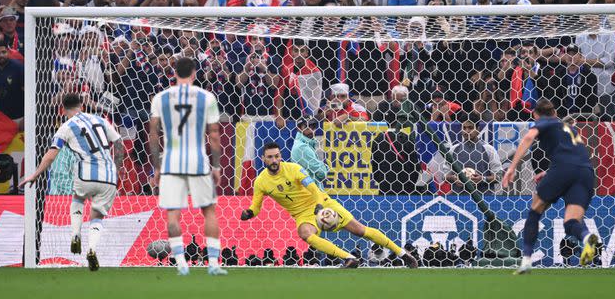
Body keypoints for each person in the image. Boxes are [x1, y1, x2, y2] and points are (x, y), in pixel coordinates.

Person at [240, 142, 418, 268]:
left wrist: (319, 206)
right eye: (270, 157)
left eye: (277, 156)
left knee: (359, 230)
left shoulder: (293, 168)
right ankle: (349, 258)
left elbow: (315, 189)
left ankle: (403, 254)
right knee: (304, 233)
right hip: (302, 215)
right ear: (263, 158)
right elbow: (256, 206)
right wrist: (249, 213)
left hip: (322, 203)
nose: (274, 160)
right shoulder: (261, 181)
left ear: (281, 156)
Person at [19, 93, 124, 271]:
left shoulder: (65, 128)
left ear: (63, 109)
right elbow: (119, 143)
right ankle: (91, 249)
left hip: (85, 174)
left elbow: (51, 154)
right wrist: (117, 168)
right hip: (108, 176)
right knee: (97, 216)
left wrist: (36, 174)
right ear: (82, 105)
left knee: (78, 199)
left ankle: (75, 234)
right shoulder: (99, 119)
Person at [148, 57, 227, 276]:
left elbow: (153, 134)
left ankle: (181, 262)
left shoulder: (161, 98)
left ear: (174, 73)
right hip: (198, 161)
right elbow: (213, 135)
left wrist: (157, 167)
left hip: (172, 162)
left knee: (173, 214)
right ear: (194, 74)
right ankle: (213, 263)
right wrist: (217, 166)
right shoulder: (206, 97)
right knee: (208, 211)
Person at [502, 98, 601, 274]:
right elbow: (576, 156)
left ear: (535, 115)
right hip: (585, 172)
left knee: (535, 211)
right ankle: (587, 238)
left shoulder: (544, 122)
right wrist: (549, 173)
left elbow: (528, 138)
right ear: (556, 113)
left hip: (562, 169)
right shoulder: (569, 128)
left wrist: (512, 167)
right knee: (571, 222)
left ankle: (526, 260)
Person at [290, 117, 328, 187]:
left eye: (313, 127)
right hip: (309, 193)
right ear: (299, 129)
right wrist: (325, 168)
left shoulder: (307, 144)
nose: (311, 130)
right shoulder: (302, 147)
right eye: (307, 127)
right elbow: (322, 173)